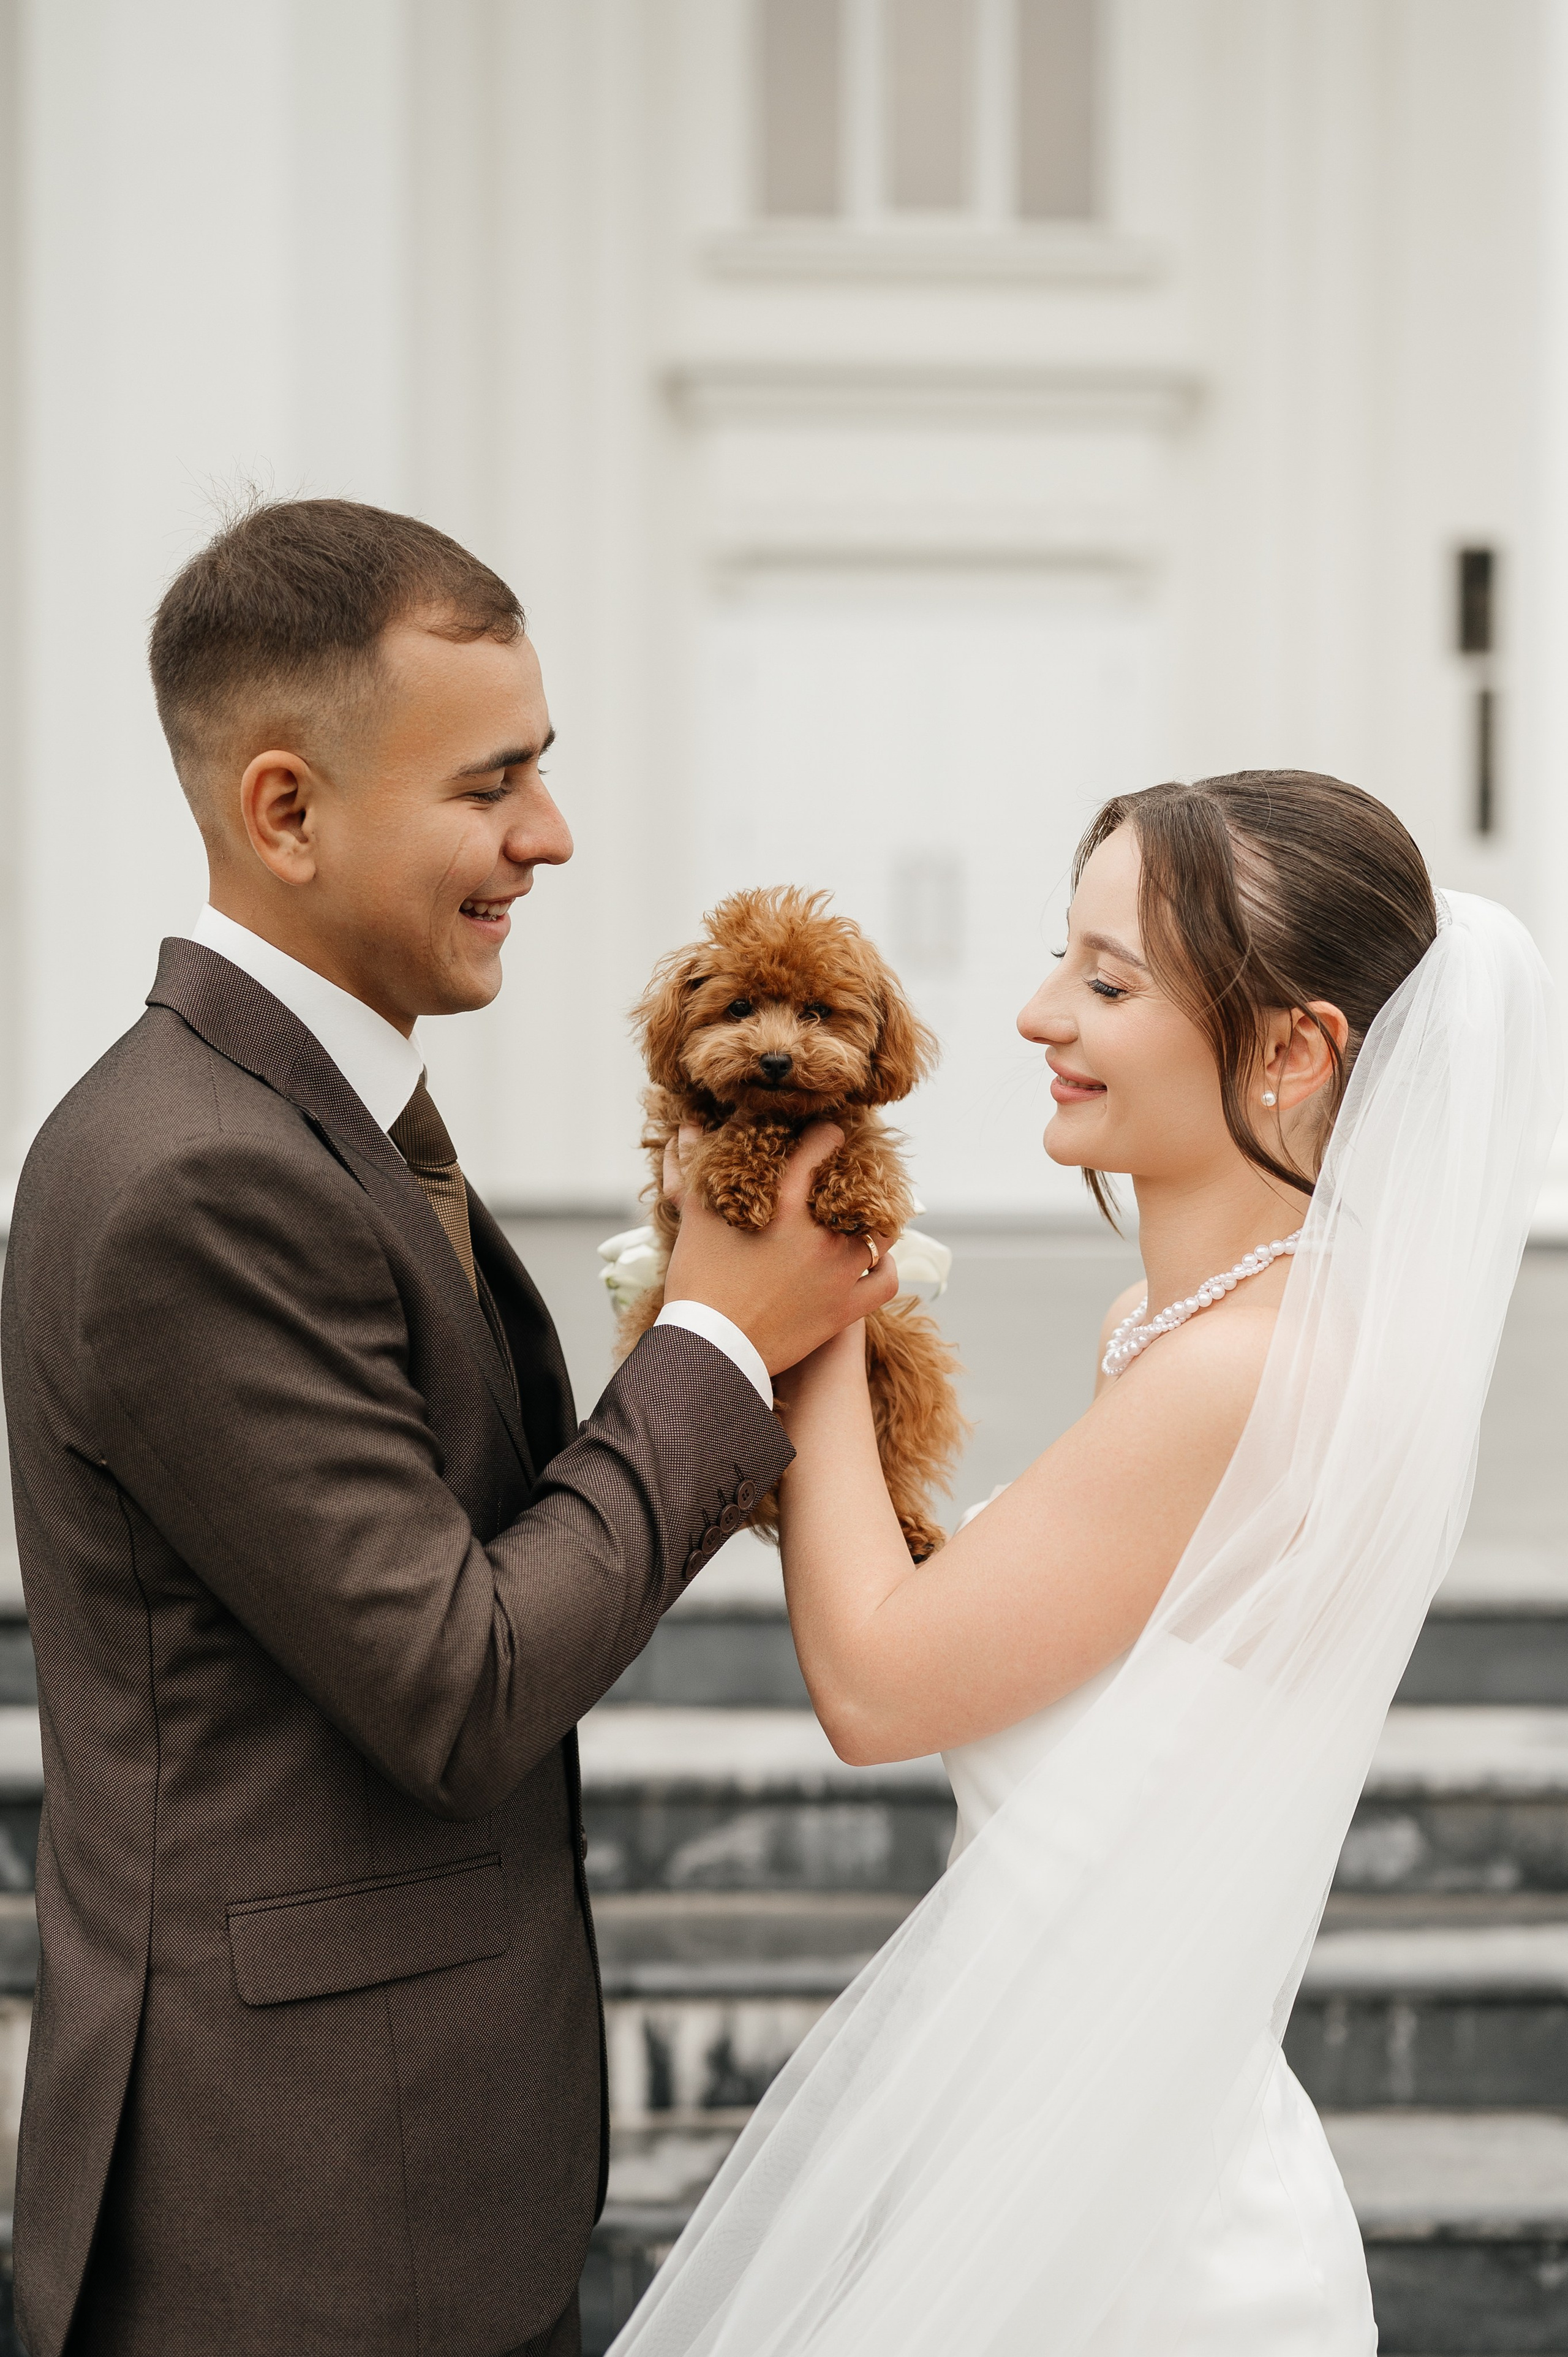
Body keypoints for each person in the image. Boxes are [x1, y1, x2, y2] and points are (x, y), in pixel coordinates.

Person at [0, 498, 900, 2357]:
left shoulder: (320, 1116)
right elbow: (460, 1679)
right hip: (296, 2233)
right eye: (493, 788)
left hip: (423, 2175)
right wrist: (722, 1335)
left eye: (544, 775)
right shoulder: (190, 1178)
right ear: (285, 812)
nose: (550, 838)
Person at [613, 772, 1561, 2356]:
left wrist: (810, 1308)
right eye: (1066, 959)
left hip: (1150, 2251)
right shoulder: (1191, 1332)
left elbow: (876, 1680)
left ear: (1294, 1050)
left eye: (1109, 981)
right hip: (1064, 2146)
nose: (1041, 1013)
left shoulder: (1245, 1372)